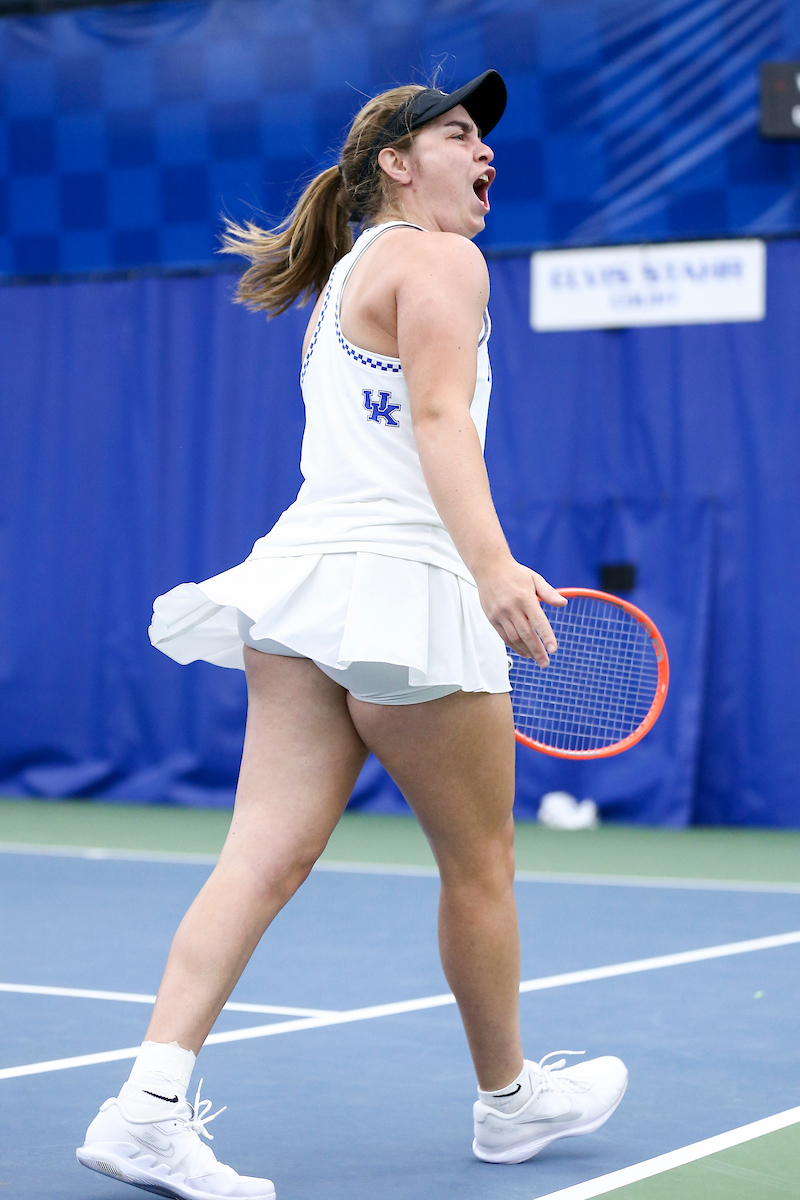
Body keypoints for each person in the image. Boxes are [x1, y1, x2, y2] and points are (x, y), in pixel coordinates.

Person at [77, 71, 627, 1199]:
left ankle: (145, 1104)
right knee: (479, 867)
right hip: (407, 590)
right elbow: (435, 425)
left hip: (304, 589)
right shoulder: (440, 261)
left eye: (486, 142)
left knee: (259, 856)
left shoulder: (339, 286)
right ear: (394, 160)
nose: (484, 157)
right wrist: (490, 567)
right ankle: (509, 1102)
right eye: (459, 135)